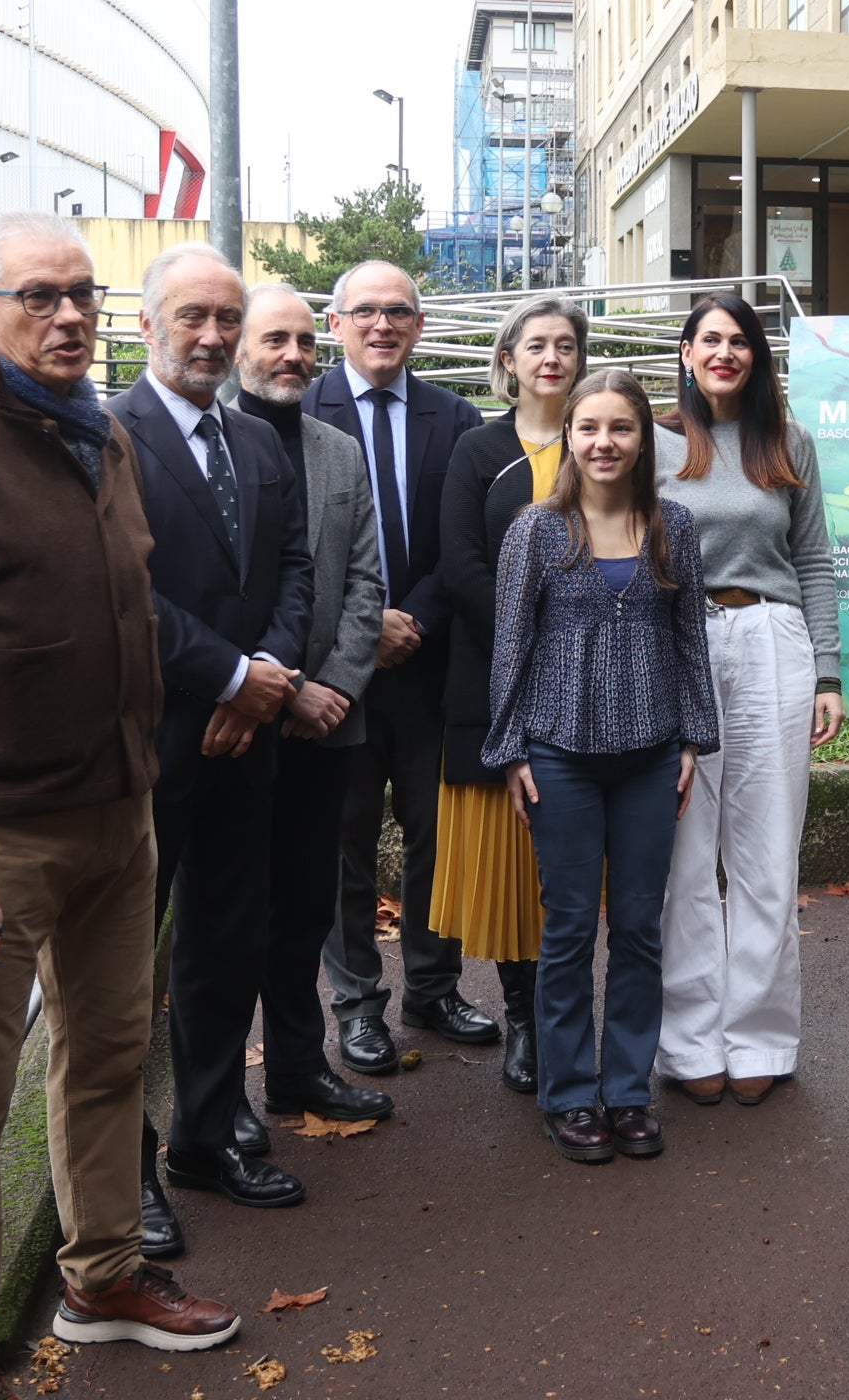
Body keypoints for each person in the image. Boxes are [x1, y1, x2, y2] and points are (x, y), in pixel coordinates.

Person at [0, 213, 234, 1394]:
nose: (71, 315)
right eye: (40, 295)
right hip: (1, 833)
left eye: (85, 293)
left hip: (119, 810)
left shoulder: (101, 435)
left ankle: (103, 1276)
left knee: (109, 1055)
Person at [114, 246, 315, 1214]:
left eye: (227, 319)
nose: (213, 336)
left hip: (249, 744)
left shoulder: (262, 443)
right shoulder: (107, 438)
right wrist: (236, 679)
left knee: (227, 947)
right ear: (149, 325)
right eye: (192, 316)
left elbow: (293, 570)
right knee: (117, 976)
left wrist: (262, 688)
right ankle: (124, 1172)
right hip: (150, 742)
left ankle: (203, 1136)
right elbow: (125, 598)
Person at [484, 370, 720, 1164]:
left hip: (653, 754)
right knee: (569, 929)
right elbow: (510, 647)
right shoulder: (536, 531)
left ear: (642, 440)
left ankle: (627, 1091)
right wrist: (511, 750)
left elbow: (691, 637)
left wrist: (693, 738)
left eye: (620, 428)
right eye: (588, 428)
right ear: (569, 437)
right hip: (562, 756)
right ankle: (570, 1094)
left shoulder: (673, 527)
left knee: (640, 930)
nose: (603, 443)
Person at [656, 294, 845, 1106]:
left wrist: (830, 675)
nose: (725, 353)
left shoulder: (787, 441)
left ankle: (761, 1033)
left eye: (740, 341)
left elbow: (816, 562)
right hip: (678, 644)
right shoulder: (657, 442)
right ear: (688, 354)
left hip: (772, 641)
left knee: (768, 851)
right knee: (685, 852)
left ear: (757, 356)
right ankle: (691, 1039)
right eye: (711, 340)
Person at [309, 260, 496, 1067]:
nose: (381, 325)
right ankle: (356, 1003)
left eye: (398, 312)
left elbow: (465, 545)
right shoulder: (294, 412)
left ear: (419, 326)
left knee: (436, 833)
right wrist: (359, 630)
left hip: (428, 667)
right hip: (332, 676)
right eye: (365, 312)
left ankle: (433, 987)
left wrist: (408, 620)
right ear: (336, 323)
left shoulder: (454, 418)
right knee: (342, 844)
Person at [230, 285, 396, 1158]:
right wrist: (280, 687)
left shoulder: (336, 450)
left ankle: (297, 1064)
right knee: (226, 921)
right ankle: (220, 1099)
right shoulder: (208, 440)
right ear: (239, 347)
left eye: (302, 341)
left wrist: (332, 683)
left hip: (328, 720)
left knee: (305, 907)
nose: (292, 355)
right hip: (231, 725)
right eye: (274, 339)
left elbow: (367, 581)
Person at [433, 295, 587, 1096]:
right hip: (494, 679)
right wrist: (534, 641)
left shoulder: (600, 441)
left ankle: (574, 1014)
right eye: (537, 345)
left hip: (595, 683)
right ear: (508, 360)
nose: (551, 358)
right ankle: (525, 1018)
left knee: (573, 858)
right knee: (511, 862)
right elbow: (459, 566)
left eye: (565, 345)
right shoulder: (476, 450)